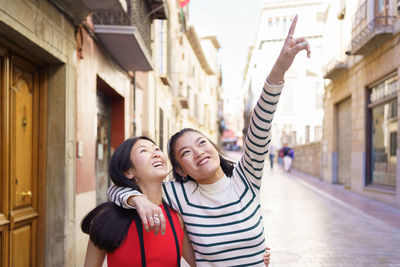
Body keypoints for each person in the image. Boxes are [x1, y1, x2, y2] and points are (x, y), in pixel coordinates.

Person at [107, 15, 310, 266]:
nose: (198, 152)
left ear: (214, 147)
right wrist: (137, 200)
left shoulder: (245, 180)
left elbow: (260, 126)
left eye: (202, 143)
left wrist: (279, 69)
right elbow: (116, 188)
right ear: (180, 169)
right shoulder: (178, 194)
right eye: (186, 153)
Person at [81, 136, 196, 267]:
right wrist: (137, 200)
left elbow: (201, 262)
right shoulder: (106, 218)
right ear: (129, 171)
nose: (156, 154)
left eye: (157, 149)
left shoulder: (177, 217)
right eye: (143, 151)